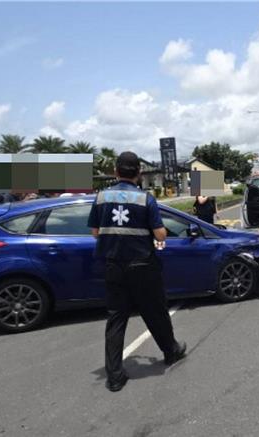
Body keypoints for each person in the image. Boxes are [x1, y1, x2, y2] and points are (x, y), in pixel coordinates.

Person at [88, 151, 186, 393]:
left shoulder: (101, 197)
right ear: (139, 173)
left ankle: (114, 376)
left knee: (116, 318)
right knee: (155, 312)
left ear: (115, 171)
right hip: (143, 266)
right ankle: (171, 352)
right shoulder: (145, 199)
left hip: (113, 266)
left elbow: (95, 232)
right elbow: (161, 235)